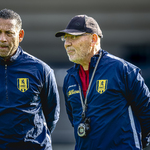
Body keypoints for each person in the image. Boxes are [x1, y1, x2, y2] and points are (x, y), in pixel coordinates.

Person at [0, 8, 60, 150]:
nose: (2, 39)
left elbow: (52, 113)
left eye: (9, 33)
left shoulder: (41, 70)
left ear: (20, 35)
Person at [55, 15, 150, 149]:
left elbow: (147, 113)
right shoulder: (69, 78)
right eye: (65, 38)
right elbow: (74, 120)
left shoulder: (123, 70)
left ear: (93, 39)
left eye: (74, 37)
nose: (67, 43)